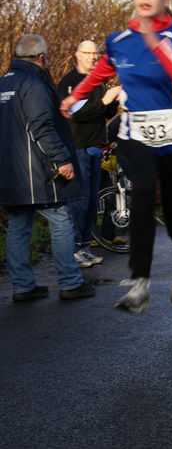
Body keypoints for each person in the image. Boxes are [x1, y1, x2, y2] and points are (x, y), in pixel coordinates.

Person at [59, 0, 172, 315]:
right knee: (140, 189)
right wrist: (76, 95)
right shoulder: (120, 41)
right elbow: (101, 71)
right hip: (136, 134)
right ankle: (139, 283)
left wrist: (158, 44)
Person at [0, 34, 95, 301]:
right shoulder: (34, 83)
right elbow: (42, 127)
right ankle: (70, 282)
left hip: (11, 172)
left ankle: (22, 286)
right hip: (37, 171)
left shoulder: (3, 84)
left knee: (19, 226)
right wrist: (62, 159)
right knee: (61, 219)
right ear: (42, 58)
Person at [58, 40, 120, 267]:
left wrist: (114, 101)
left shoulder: (99, 82)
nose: (93, 57)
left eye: (96, 53)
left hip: (97, 147)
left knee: (93, 201)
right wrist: (104, 100)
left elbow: (103, 113)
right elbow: (74, 114)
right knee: (79, 201)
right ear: (77, 55)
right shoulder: (70, 81)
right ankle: (74, 249)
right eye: (88, 53)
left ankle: (84, 246)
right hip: (79, 147)